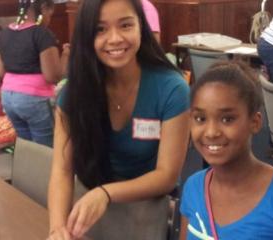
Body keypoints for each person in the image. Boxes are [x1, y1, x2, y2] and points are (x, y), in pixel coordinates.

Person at [47, 0, 190, 239]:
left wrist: (105, 193)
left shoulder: (171, 88)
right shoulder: (75, 91)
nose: (114, 39)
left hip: (146, 208)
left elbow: (167, 176)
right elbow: (62, 170)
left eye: (125, 25)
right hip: (90, 204)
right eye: (100, 29)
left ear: (140, 27)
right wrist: (57, 229)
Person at [179, 61, 273, 240]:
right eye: (200, 118)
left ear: (255, 122)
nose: (211, 132)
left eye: (227, 119)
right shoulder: (193, 187)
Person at [0, 0, 68, 147]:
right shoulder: (42, 34)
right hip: (34, 99)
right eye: (49, 14)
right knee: (45, 149)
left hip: (8, 98)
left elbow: (0, 72)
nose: (49, 19)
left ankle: (29, 170)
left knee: (27, 147)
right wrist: (66, 55)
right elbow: (52, 76)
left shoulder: (4, 33)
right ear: (43, 8)